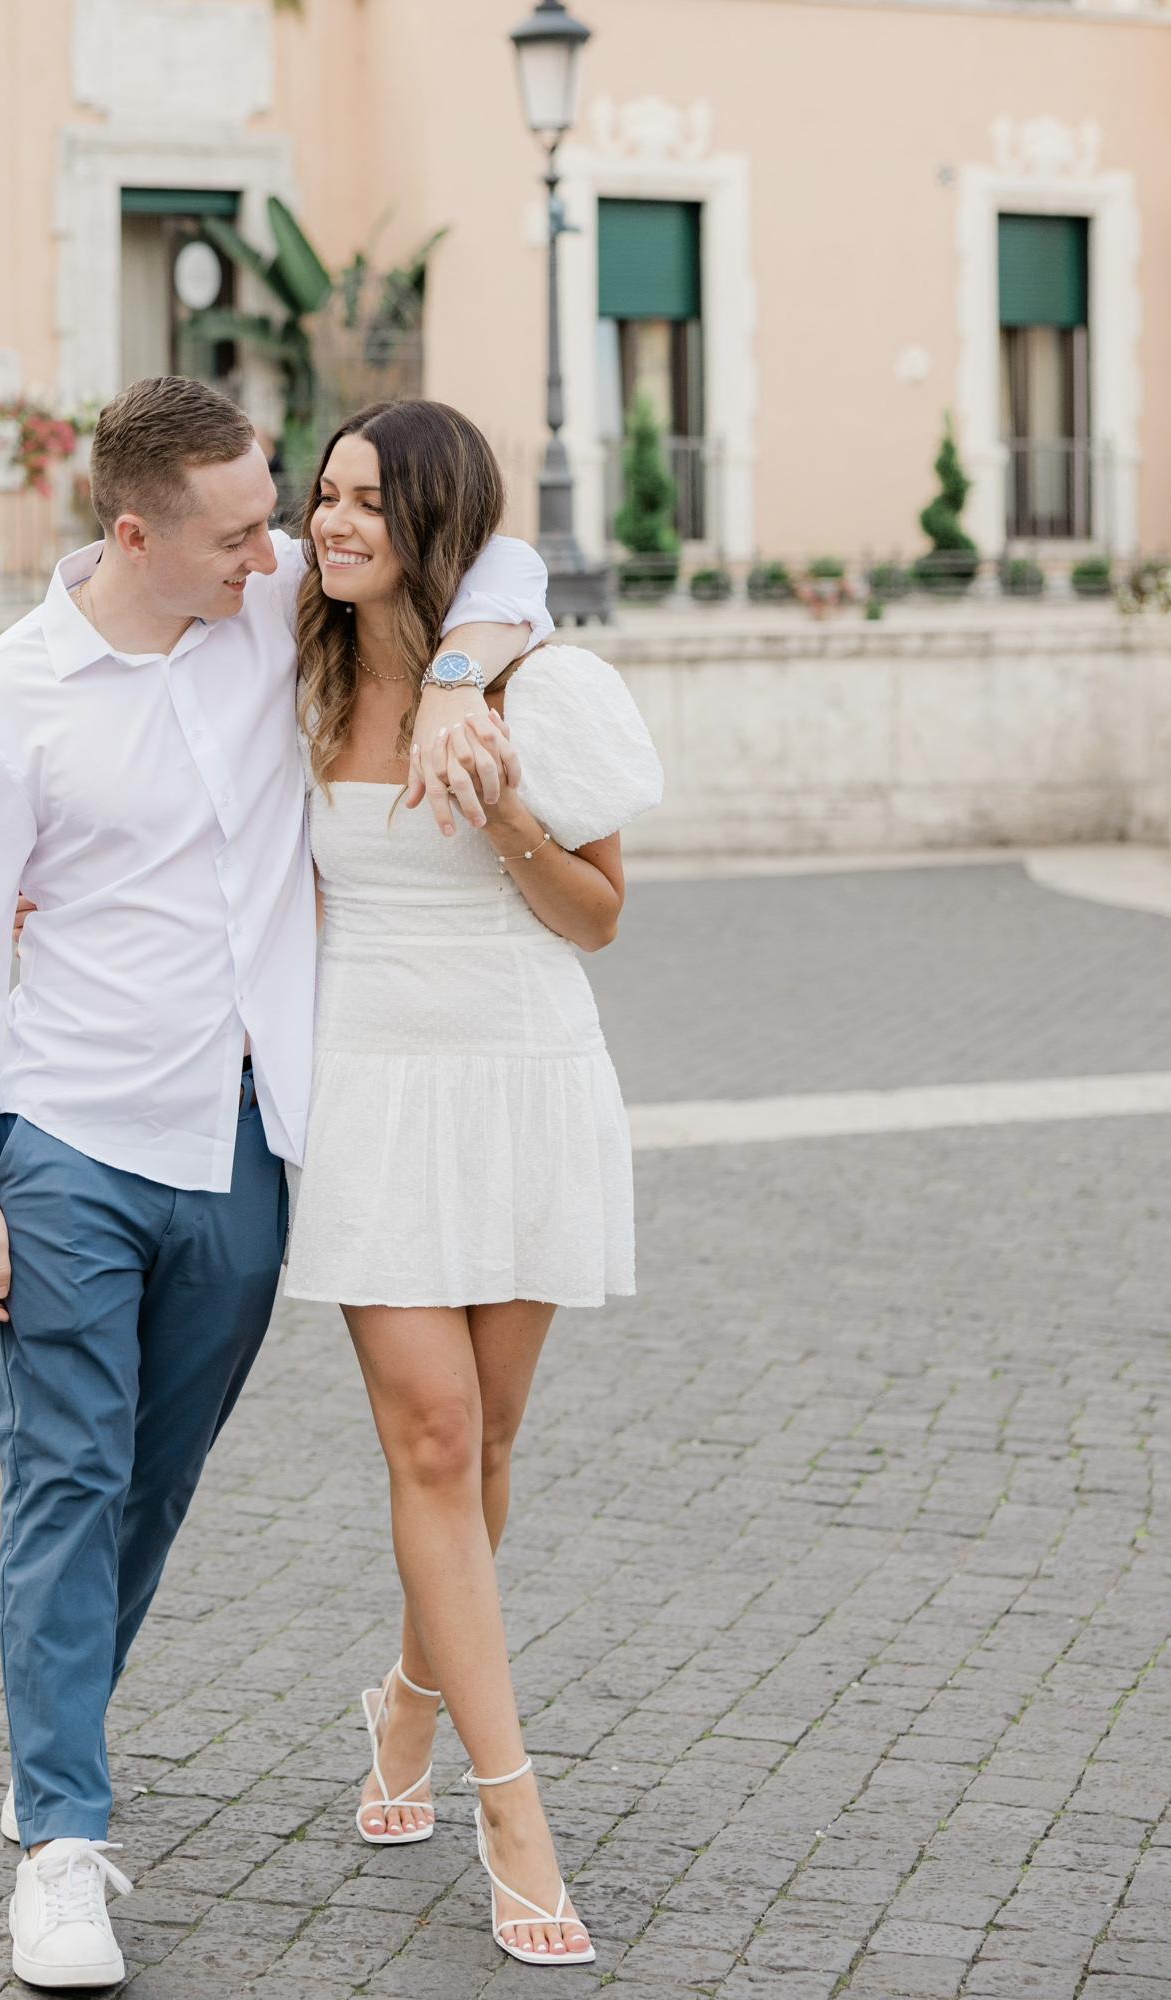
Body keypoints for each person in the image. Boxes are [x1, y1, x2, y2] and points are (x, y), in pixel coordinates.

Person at [0, 374, 551, 1990]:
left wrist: (457, 680)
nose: (280, 552)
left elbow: (503, 561)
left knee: (152, 1481)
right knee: (66, 1473)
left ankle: (50, 1731)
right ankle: (62, 1843)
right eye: (244, 532)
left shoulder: (269, 621)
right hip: (70, 1138)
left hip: (247, 1145)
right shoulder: (3, 705)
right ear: (137, 535)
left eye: (279, 517)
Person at [282, 399, 662, 1969]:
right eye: (326, 494)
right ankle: (516, 1813)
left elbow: (601, 917)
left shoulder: (542, 684)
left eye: (370, 501)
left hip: (524, 1078)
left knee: (489, 1440)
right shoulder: (293, 674)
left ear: (433, 519)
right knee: (434, 1435)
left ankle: (410, 1699)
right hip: (369, 1093)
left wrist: (502, 803)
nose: (334, 522)